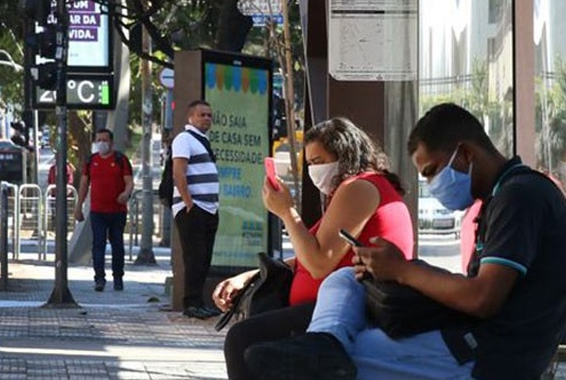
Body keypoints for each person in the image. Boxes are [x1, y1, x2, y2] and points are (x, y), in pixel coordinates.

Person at [244, 103, 566, 380]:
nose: (430, 183)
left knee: (342, 357)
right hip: (467, 334)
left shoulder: (520, 196)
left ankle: (326, 350)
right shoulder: (501, 198)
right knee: (346, 279)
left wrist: (402, 271)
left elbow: (483, 297)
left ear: (466, 153)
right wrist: (398, 268)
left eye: (431, 171)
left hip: (488, 353)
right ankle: (325, 342)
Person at [214, 117, 414, 379]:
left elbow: (319, 263)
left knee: (243, 339)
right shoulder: (348, 190)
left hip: (350, 308)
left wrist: (287, 212)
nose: (314, 171)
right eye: (309, 164)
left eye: (319, 162)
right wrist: (250, 276)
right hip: (324, 305)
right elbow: (307, 254)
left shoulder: (360, 187)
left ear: (345, 154)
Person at [172, 99, 221, 319]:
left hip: (209, 208)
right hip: (194, 208)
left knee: (204, 258)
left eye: (209, 115)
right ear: (191, 117)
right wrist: (188, 202)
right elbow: (178, 172)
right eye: (202, 115)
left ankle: (199, 301)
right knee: (194, 256)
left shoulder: (203, 141)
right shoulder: (184, 139)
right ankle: (190, 303)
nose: (207, 119)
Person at [74, 129, 134, 292]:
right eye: (98, 140)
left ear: (111, 142)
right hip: (97, 211)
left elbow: (129, 181)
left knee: (117, 245)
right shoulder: (91, 161)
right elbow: (84, 184)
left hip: (117, 211)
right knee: (98, 244)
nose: (101, 143)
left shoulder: (120, 160)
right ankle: (99, 278)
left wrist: (125, 193)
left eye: (104, 140)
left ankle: (118, 278)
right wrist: (78, 207)